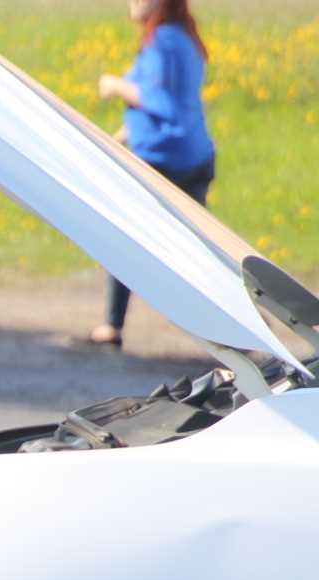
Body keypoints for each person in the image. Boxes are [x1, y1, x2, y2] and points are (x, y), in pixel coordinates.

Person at [91, 0, 215, 349]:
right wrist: (116, 138)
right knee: (197, 248)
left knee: (126, 236)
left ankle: (112, 325)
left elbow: (162, 105)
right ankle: (241, 326)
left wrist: (115, 85)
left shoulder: (164, 42)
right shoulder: (180, 38)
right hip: (190, 154)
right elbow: (168, 108)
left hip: (166, 161)